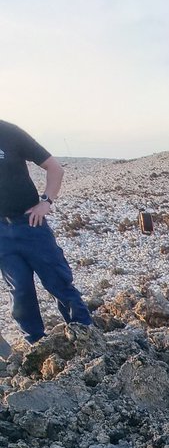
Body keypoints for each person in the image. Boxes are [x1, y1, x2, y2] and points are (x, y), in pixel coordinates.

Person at [0, 120, 93, 345]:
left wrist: (46, 202)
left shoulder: (9, 133)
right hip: (1, 235)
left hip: (30, 224)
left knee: (57, 281)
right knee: (20, 291)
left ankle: (87, 336)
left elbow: (55, 168)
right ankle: (36, 345)